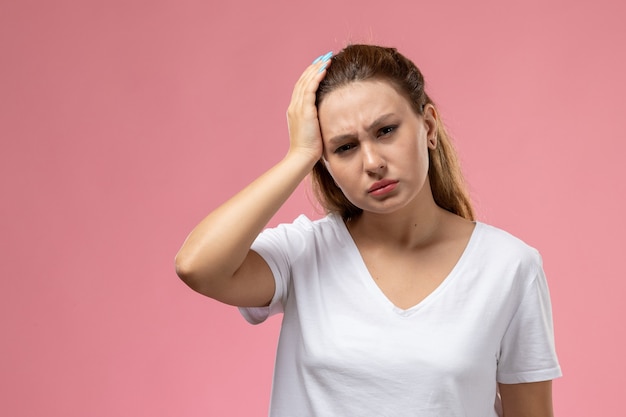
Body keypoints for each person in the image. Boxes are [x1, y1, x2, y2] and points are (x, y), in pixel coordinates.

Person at [175, 44, 561, 417]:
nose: (373, 162)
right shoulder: (305, 253)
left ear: (428, 126)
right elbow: (198, 266)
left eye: (386, 131)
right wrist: (298, 157)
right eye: (344, 148)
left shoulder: (510, 267)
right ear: (324, 161)